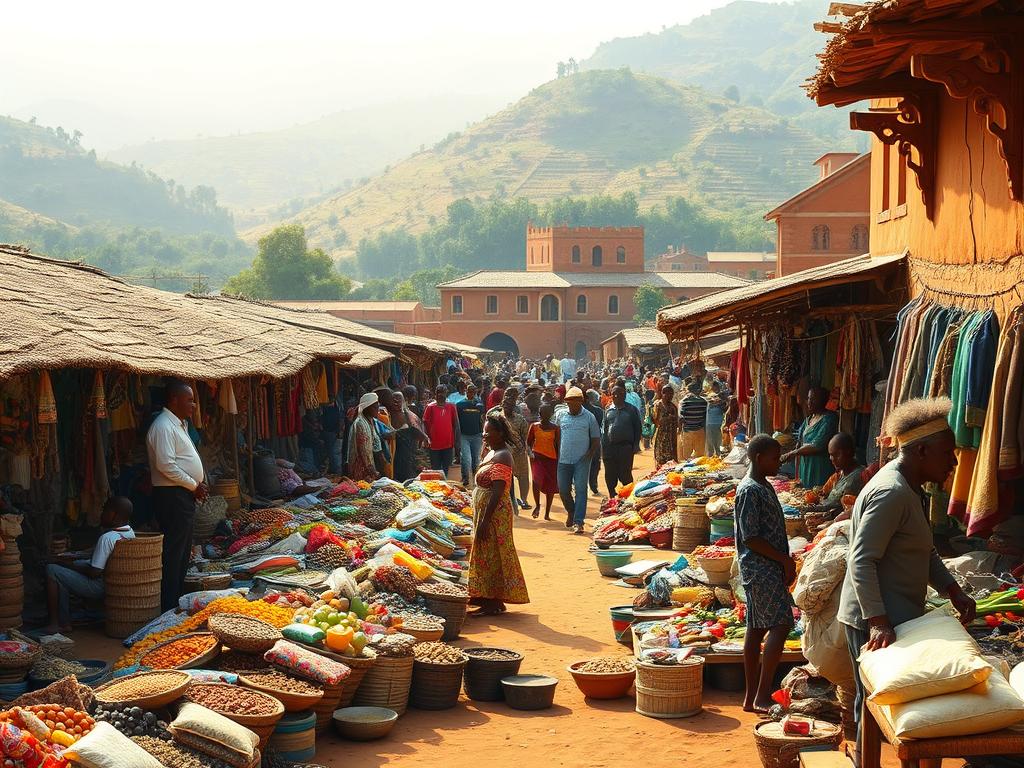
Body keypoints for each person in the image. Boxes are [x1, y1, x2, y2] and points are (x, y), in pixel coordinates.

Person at [838, 397, 976, 766]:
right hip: (877, 619)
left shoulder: (909, 488)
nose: (954, 461)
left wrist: (951, 588)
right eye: (948, 452)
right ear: (921, 451)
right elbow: (862, 560)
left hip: (896, 615)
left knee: (898, 705)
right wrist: (878, 621)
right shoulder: (891, 492)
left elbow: (924, 551)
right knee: (875, 704)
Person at [735, 434, 796, 713]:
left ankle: (751, 698)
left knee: (757, 628)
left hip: (765, 567)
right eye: (775, 457)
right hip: (761, 568)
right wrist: (783, 559)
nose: (779, 460)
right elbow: (751, 537)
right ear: (759, 459)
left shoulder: (763, 486)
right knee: (781, 624)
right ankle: (760, 695)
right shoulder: (750, 490)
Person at [146, 381, 207, 612]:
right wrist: (193, 485)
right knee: (174, 551)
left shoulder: (178, 424)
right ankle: (169, 605)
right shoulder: (163, 426)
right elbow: (166, 465)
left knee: (182, 551)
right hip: (173, 495)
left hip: (182, 494)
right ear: (173, 399)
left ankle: (175, 599)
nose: (193, 404)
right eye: (189, 399)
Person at [468, 413, 530, 616]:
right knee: (486, 551)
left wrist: (485, 520)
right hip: (485, 511)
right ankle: (487, 597)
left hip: (495, 514)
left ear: (500, 434)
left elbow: (498, 489)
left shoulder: (503, 455)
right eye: (484, 431)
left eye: (488, 432)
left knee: (493, 552)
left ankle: (492, 601)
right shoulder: (490, 451)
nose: (484, 435)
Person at [44, 496, 135, 633]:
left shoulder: (106, 538)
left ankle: (56, 622)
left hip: (99, 586)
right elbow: (96, 555)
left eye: (105, 510)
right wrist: (74, 558)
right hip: (115, 582)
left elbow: (94, 572)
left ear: (114, 515)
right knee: (64, 570)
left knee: (52, 569)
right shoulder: (129, 532)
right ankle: (64, 622)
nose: (101, 513)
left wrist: (67, 564)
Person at [555, 387, 600, 534]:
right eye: (568, 403)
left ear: (580, 401)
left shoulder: (589, 417)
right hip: (563, 459)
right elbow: (555, 436)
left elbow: (595, 439)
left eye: (574, 403)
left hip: (582, 460)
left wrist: (588, 456)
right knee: (563, 490)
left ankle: (578, 522)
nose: (571, 406)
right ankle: (571, 511)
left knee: (581, 490)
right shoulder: (561, 415)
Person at [804, 432, 867, 532]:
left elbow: (846, 511)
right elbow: (827, 496)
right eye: (830, 455)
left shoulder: (856, 477)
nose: (832, 459)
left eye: (836, 455)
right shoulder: (840, 473)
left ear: (848, 452)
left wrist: (826, 520)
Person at [781, 387, 839, 489]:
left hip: (819, 467)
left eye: (813, 399)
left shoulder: (829, 419)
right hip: (805, 466)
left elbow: (818, 445)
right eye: (808, 398)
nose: (809, 402)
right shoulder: (808, 419)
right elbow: (799, 442)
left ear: (823, 400)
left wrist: (794, 453)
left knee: (818, 494)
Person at [490, 388, 531, 511]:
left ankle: (524, 500)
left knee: (523, 476)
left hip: (518, 453)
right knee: (503, 478)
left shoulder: (520, 419)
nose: (508, 406)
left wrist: (524, 449)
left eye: (511, 405)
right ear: (502, 404)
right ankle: (507, 501)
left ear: (514, 406)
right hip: (501, 453)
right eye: (506, 404)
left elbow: (525, 437)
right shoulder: (495, 417)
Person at [602, 385, 643, 497]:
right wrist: (603, 447)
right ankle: (612, 494)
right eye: (614, 394)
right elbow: (605, 429)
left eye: (619, 394)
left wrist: (635, 445)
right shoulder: (608, 410)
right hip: (609, 448)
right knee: (610, 473)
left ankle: (629, 496)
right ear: (611, 396)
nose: (617, 396)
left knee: (625, 474)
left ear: (624, 395)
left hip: (625, 447)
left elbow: (638, 428)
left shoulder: (631, 410)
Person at [527, 404, 560, 520]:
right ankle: (537, 505)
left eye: (547, 413)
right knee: (536, 481)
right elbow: (529, 442)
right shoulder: (534, 426)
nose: (545, 416)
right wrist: (530, 454)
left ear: (551, 414)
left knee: (550, 486)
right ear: (540, 414)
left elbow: (558, 445)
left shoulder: (555, 428)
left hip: (552, 459)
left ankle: (547, 513)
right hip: (538, 458)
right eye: (543, 413)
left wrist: (559, 461)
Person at [389, 390, 430, 482]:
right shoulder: (387, 415)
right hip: (393, 453)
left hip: (408, 452)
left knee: (409, 476)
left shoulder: (409, 416)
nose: (396, 401)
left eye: (398, 399)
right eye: (393, 399)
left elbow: (416, 430)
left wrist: (425, 437)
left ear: (403, 400)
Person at [423, 385, 459, 475]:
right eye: (439, 392)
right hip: (434, 444)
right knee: (436, 469)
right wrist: (426, 439)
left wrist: (455, 442)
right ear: (435, 393)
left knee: (446, 469)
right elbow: (425, 423)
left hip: (448, 444)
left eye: (443, 392)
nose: (441, 394)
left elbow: (455, 425)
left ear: (446, 393)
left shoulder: (451, 406)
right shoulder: (430, 407)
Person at [347, 392, 383, 482]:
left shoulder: (370, 421)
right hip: (360, 466)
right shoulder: (360, 424)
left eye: (378, 406)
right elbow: (364, 450)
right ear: (367, 408)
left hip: (368, 465)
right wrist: (372, 470)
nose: (377, 410)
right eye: (375, 407)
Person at [456, 384, 485, 485]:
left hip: (477, 435)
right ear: (466, 391)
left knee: (476, 460)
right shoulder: (459, 405)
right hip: (464, 436)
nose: (472, 393)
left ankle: (475, 480)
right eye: (470, 391)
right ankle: (465, 479)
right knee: (466, 459)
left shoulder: (479, 404)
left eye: (474, 391)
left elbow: (483, 418)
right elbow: (457, 422)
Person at [678, 380, 708, 460]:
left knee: (686, 456)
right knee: (699, 456)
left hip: (687, 431)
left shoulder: (683, 401)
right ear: (698, 390)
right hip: (700, 430)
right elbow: (705, 417)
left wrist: (680, 430)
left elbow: (681, 418)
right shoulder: (704, 402)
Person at [652, 384, 679, 467]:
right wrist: (668, 419)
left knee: (671, 462)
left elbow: (676, 423)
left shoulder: (673, 407)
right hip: (660, 437)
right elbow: (656, 422)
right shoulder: (658, 405)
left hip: (671, 438)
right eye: (669, 394)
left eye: (672, 394)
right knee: (660, 462)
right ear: (663, 393)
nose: (671, 396)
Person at [583, 390, 604, 495]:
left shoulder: (578, 411)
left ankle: (582, 486)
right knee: (595, 464)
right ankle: (593, 485)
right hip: (595, 441)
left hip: (582, 441)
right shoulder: (599, 411)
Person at [705, 381, 726, 457]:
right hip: (711, 423)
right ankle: (712, 456)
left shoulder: (721, 397)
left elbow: (724, 408)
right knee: (712, 442)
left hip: (717, 423)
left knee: (717, 442)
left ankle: (718, 455)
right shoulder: (710, 397)